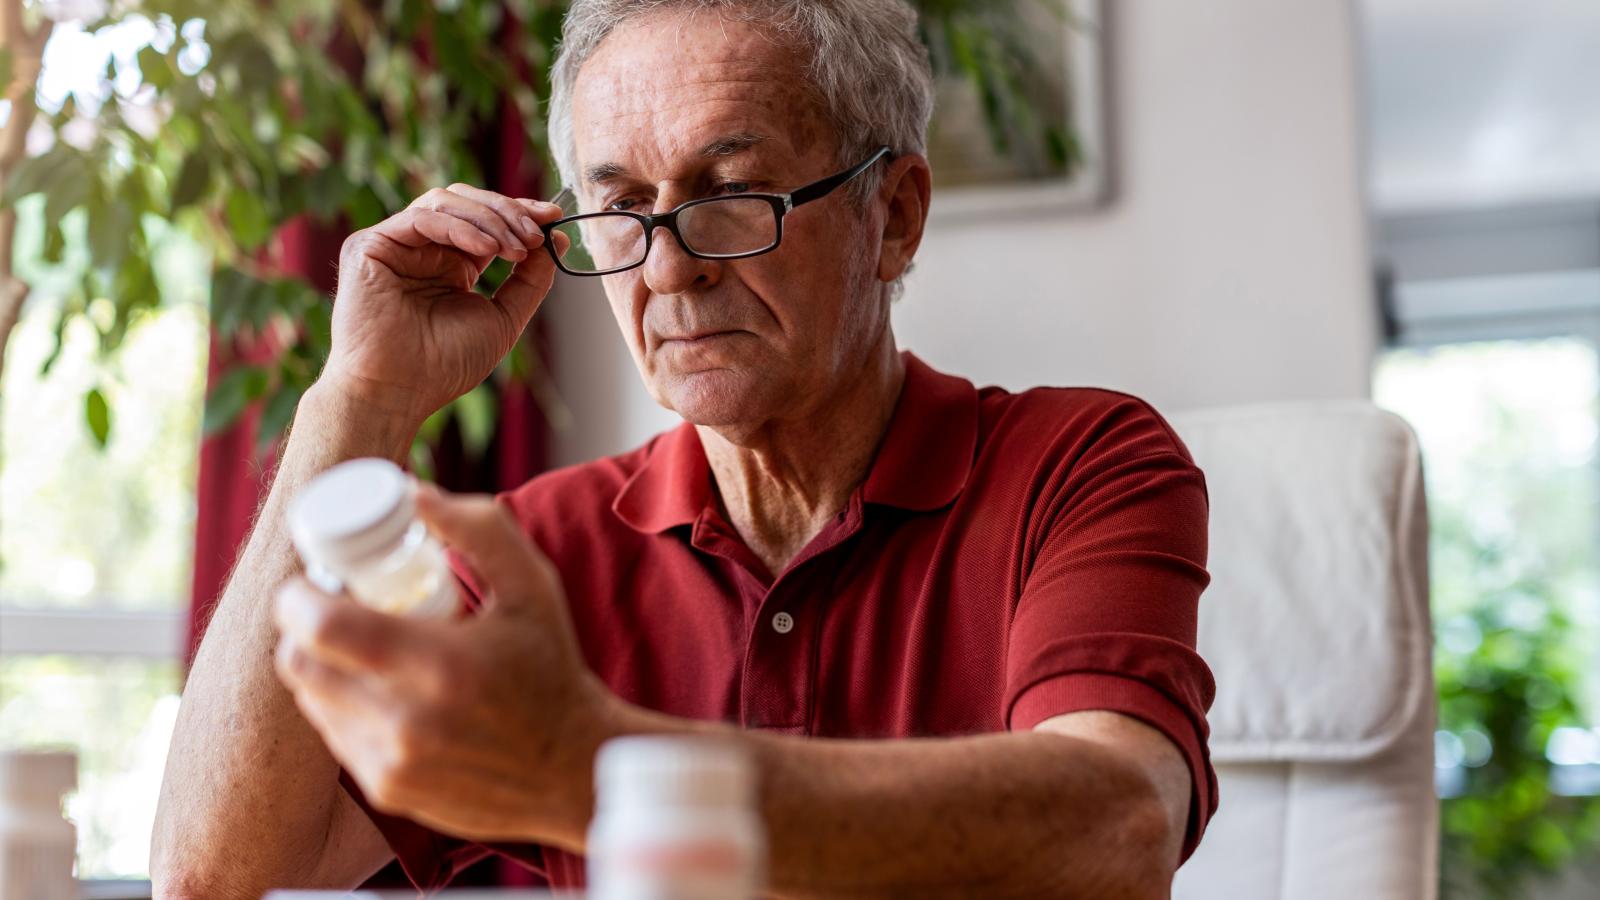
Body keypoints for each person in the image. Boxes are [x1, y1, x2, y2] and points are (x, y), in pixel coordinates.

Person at [151, 1, 1217, 897]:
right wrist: (361, 400)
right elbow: (216, 874)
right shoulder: (536, 552)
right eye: (622, 208)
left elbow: (1118, 825)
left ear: (892, 215)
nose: (667, 270)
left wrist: (587, 765)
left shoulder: (1079, 461)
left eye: (730, 195)